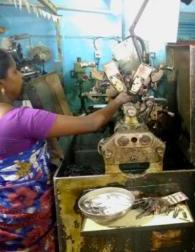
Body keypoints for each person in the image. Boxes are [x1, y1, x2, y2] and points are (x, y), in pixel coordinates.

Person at [0, 49, 131, 251]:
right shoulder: (22, 119)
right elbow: (93, 122)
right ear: (2, 85)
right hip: (28, 222)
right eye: (15, 71)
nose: (20, 76)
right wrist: (119, 100)